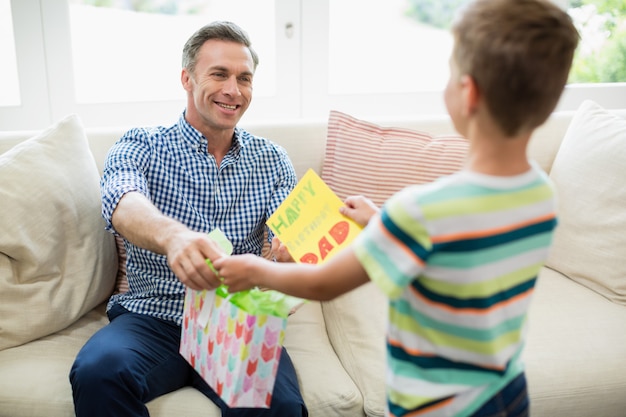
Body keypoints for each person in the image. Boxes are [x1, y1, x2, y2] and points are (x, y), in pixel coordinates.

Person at [211, 1, 579, 416]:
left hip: (433, 403)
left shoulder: (422, 212)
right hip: (505, 389)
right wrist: (381, 221)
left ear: (468, 93)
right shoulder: (540, 193)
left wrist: (253, 270)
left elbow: (323, 284)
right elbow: (461, 246)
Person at [69, 21, 307, 417]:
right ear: (186, 78)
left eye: (244, 78)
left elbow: (293, 236)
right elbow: (121, 201)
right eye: (219, 74)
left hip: (235, 323)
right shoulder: (140, 144)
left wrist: (291, 254)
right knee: (98, 373)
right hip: (152, 317)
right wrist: (173, 237)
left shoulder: (272, 159)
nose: (234, 89)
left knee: (279, 406)